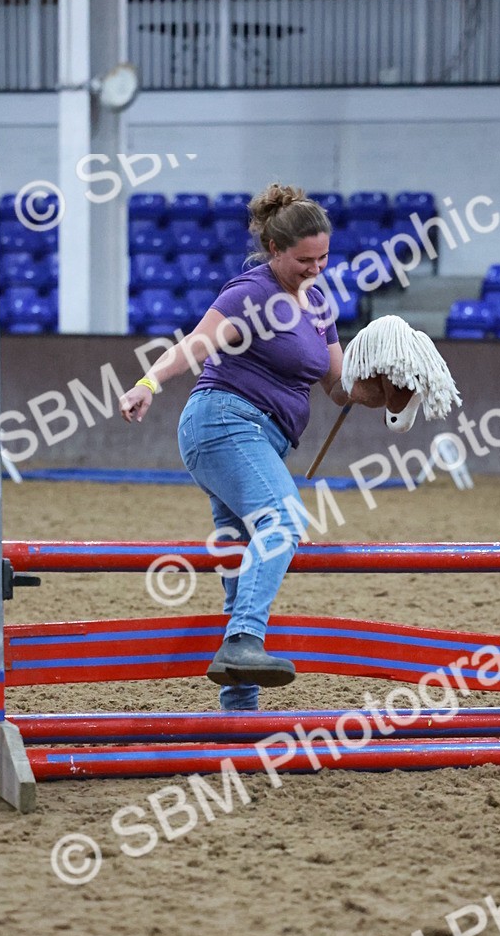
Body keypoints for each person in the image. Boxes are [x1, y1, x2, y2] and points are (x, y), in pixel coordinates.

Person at [119, 182, 385, 711]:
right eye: (304, 259)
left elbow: (338, 387)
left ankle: (238, 710)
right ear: (274, 251)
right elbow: (195, 344)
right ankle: (244, 642)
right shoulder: (249, 292)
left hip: (260, 438)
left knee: (242, 562)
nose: (316, 269)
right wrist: (147, 383)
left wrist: (390, 389)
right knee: (284, 522)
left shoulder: (319, 305)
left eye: (324, 258)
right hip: (222, 422)